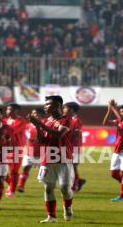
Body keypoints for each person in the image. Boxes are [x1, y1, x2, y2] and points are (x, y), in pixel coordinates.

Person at [28, 95, 74, 223]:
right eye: (45, 104)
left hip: (63, 158)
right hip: (47, 159)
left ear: (58, 106)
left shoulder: (67, 119)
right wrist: (37, 126)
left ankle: (67, 206)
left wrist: (40, 124)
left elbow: (60, 134)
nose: (45, 106)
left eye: (48, 104)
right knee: (48, 187)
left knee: (65, 188)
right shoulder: (46, 121)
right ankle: (51, 216)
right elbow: (41, 140)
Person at [2, 103, 28, 197]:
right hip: (3, 149)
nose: (7, 111)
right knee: (1, 170)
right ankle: (12, 185)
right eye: (7, 109)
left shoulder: (21, 121)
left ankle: (11, 191)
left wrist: (2, 128)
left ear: (16, 111)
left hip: (16, 149)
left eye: (10, 109)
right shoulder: (4, 120)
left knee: (13, 171)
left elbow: (12, 130)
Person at [17, 108, 45, 193]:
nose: (33, 115)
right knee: (25, 168)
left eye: (36, 113)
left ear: (41, 115)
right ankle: (21, 186)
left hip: (43, 153)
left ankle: (50, 186)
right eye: (32, 113)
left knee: (45, 174)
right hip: (30, 152)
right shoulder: (28, 125)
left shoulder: (45, 125)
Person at [63, 102, 86, 192]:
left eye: (65, 108)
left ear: (71, 110)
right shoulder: (66, 119)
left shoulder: (76, 120)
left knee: (72, 166)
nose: (63, 110)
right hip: (68, 147)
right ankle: (79, 181)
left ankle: (74, 186)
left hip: (75, 147)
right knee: (69, 167)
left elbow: (75, 134)